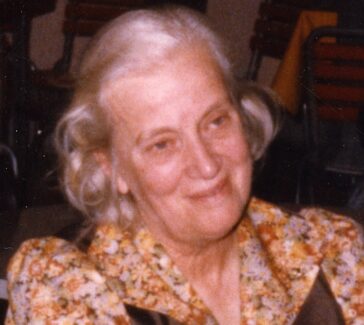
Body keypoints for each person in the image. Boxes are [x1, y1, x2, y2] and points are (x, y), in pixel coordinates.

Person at [5, 6, 364, 325]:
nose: (207, 165)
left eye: (216, 122)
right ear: (112, 167)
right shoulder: (64, 282)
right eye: (162, 144)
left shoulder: (332, 250)